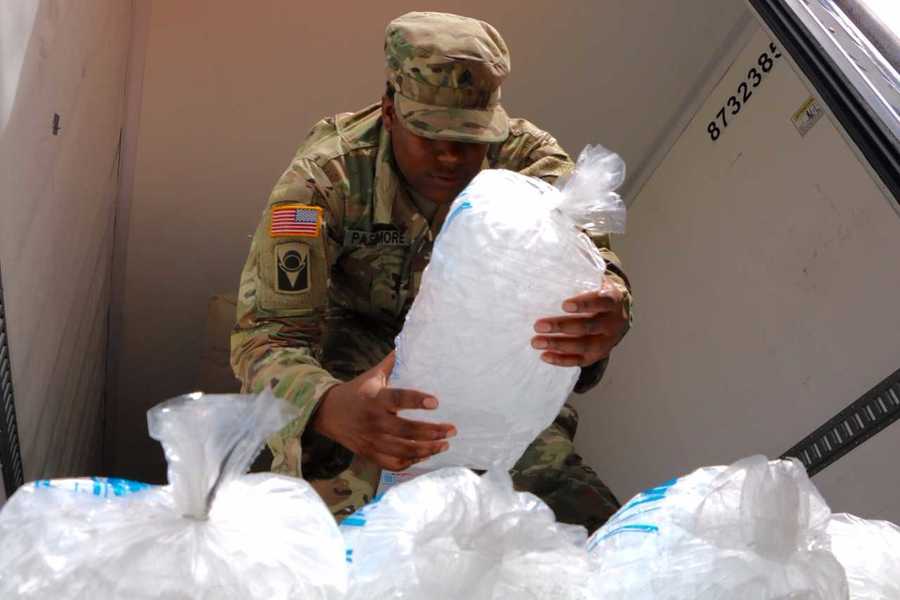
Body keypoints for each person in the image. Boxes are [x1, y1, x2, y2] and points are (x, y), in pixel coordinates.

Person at [231, 11, 632, 533]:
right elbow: (264, 338)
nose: (449, 156)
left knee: (574, 516)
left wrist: (612, 304)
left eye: (468, 138)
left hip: (488, 365)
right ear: (390, 111)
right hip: (358, 354)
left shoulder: (530, 165)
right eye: (430, 134)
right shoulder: (323, 179)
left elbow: (598, 266)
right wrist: (329, 406)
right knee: (334, 518)